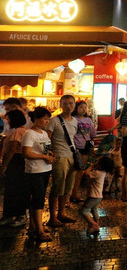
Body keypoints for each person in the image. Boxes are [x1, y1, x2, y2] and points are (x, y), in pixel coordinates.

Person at [22, 107, 55, 242]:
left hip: (45, 169)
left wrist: (50, 155)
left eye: (48, 119)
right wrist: (44, 157)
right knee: (38, 200)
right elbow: (26, 153)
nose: (47, 121)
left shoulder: (44, 134)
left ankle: (33, 226)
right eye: (45, 118)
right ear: (36, 118)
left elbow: (46, 150)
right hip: (34, 171)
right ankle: (40, 231)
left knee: (38, 198)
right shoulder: (29, 134)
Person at [45, 95, 78, 227]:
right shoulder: (54, 121)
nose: (68, 106)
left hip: (72, 156)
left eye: (71, 103)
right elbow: (47, 139)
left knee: (68, 188)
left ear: (74, 105)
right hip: (59, 157)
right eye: (65, 104)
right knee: (57, 187)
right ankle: (52, 217)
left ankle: (62, 213)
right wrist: (50, 153)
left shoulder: (75, 121)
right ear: (61, 105)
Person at [0, 110, 29, 227]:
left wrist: (4, 166)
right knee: (18, 189)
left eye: (9, 119)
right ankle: (12, 215)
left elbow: (12, 150)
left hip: (15, 162)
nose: (7, 122)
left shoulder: (17, 132)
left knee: (12, 189)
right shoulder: (25, 131)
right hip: (21, 163)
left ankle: (17, 215)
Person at [79, 156, 115, 236]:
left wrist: (91, 166)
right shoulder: (104, 173)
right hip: (99, 197)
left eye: (97, 162)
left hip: (93, 196)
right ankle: (96, 226)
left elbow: (86, 173)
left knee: (83, 211)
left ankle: (93, 224)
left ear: (101, 165)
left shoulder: (96, 173)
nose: (96, 163)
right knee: (94, 210)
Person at [71, 100, 96, 202]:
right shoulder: (73, 119)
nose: (83, 109)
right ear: (76, 108)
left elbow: (92, 134)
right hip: (76, 147)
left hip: (85, 146)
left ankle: (75, 193)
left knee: (80, 171)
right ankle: (71, 193)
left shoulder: (88, 120)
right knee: (74, 171)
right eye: (81, 107)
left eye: (85, 107)